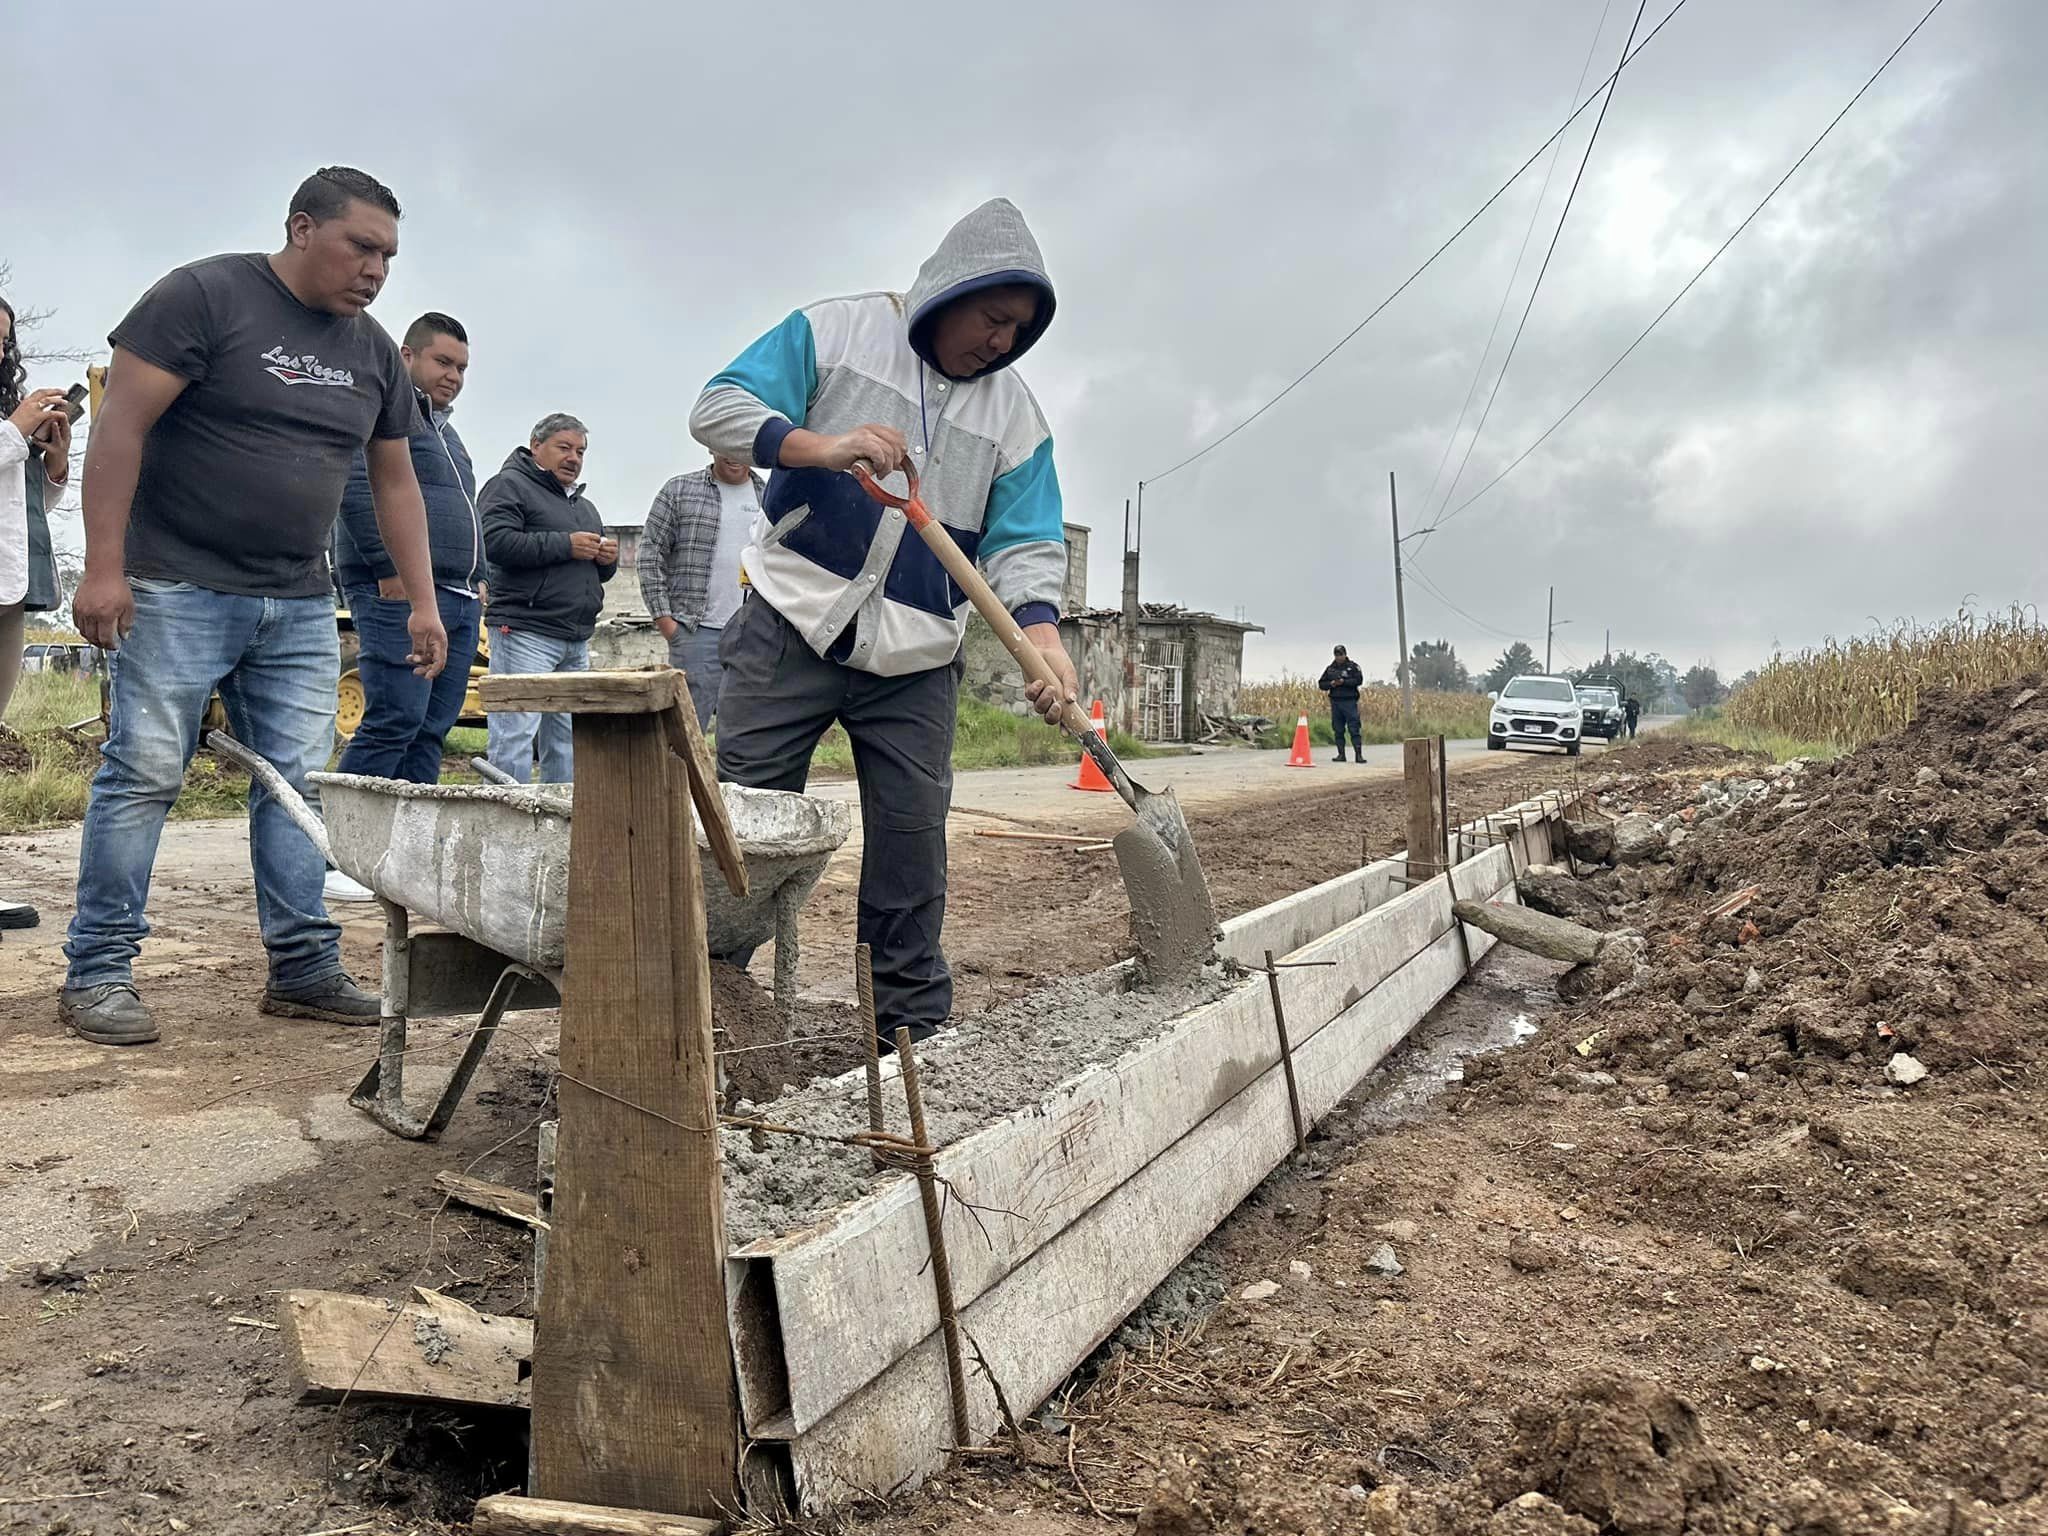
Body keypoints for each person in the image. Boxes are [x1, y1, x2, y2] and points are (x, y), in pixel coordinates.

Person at [62, 166, 449, 1048]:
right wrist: (105, 568)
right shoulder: (203, 297)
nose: (376, 270)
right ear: (302, 227)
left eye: (389, 255)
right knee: (145, 774)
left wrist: (422, 602)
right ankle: (99, 971)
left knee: (297, 785)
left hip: (300, 601)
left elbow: (397, 484)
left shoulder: (373, 350)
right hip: (175, 585)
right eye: (362, 246)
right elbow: (118, 426)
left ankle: (304, 967)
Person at [689, 197, 1076, 1052]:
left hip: (916, 658)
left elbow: (1027, 543)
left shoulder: (1015, 418)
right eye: (994, 317)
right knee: (747, 826)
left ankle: (908, 1030)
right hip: (789, 622)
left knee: (910, 842)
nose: (1002, 342)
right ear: (953, 288)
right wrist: (818, 445)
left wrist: (1042, 636)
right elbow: (717, 407)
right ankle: (713, 1002)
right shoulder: (839, 333)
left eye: (1020, 331)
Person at [480, 413, 614, 783]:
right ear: (536, 445)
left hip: (575, 637)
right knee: (515, 734)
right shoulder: (508, 486)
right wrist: (565, 545)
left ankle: (561, 824)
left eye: (580, 451)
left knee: (567, 739)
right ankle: (504, 825)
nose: (574, 457)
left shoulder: (584, 507)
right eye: (564, 447)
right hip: (525, 630)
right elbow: (494, 543)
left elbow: (593, 573)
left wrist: (606, 560)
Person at [0, 296, 71, 937]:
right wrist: (16, 432)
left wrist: (52, 463)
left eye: (2, 340)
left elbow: (26, 513)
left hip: (10, 588)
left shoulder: (6, 414)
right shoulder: (7, 423)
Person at [638, 453, 765, 729]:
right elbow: (650, 556)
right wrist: (667, 623)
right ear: (711, 444)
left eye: (741, 445)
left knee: (750, 733)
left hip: (754, 635)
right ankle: (683, 775)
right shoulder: (679, 491)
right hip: (696, 632)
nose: (734, 453)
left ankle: (733, 775)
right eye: (725, 443)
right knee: (685, 731)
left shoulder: (769, 498)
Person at [1317, 644, 1364, 762]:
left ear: (1345, 654)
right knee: (1338, 729)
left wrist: (1344, 682)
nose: (1339, 657)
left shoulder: (1353, 667)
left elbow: (1358, 680)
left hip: (1349, 701)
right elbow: (1321, 684)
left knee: (1354, 728)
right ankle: (1341, 754)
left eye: (1341, 655)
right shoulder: (1330, 669)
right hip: (1336, 702)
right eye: (1337, 655)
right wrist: (1331, 684)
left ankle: (1358, 755)